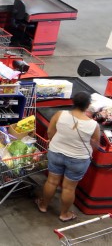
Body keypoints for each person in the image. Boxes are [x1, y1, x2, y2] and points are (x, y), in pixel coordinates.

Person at [37, 92, 100, 222]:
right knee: (69, 187)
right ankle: (64, 214)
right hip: (78, 159)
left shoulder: (60, 114)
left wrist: (53, 141)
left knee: (51, 181)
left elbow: (50, 132)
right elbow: (95, 143)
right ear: (88, 105)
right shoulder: (93, 125)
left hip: (56, 152)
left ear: (73, 102)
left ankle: (43, 205)